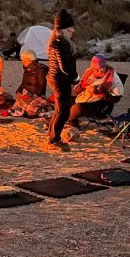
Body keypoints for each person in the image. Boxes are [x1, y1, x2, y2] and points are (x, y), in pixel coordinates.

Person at [46, 9, 77, 151]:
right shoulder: (60, 42)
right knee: (63, 111)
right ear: (65, 28)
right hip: (60, 80)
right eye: (71, 27)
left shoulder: (57, 41)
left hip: (56, 78)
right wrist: (75, 77)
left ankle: (52, 136)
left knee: (59, 110)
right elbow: (64, 66)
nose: (73, 30)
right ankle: (54, 139)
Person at [68, 54, 123, 127]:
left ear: (105, 66)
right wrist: (83, 85)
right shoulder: (89, 74)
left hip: (99, 104)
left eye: (100, 68)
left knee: (79, 107)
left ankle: (69, 120)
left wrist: (100, 93)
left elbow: (115, 99)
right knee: (65, 100)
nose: (97, 71)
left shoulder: (113, 78)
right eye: (95, 69)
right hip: (86, 98)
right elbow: (77, 92)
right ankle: (71, 119)